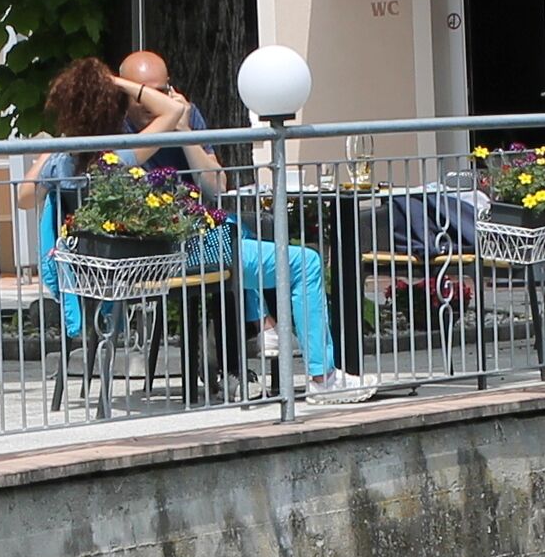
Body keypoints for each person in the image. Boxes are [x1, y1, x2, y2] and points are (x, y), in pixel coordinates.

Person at [28, 54, 370, 403]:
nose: (155, 98)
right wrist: (123, 87)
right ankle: (318, 373)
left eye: (162, 89)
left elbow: (216, 186)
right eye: (145, 92)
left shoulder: (75, 155)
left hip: (121, 260)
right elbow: (170, 115)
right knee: (304, 261)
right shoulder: (123, 147)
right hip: (180, 252)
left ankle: (266, 326)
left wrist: (186, 134)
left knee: (238, 230)